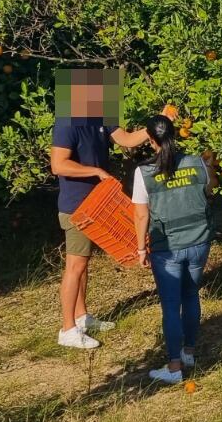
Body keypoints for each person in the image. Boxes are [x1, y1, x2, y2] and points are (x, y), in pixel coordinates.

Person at [50, 72, 153, 349]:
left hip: (97, 204)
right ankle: (67, 329)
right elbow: (58, 165)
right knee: (75, 265)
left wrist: (157, 125)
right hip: (77, 208)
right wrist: (96, 171)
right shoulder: (67, 122)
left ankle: (82, 317)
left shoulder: (101, 118)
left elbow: (127, 139)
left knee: (84, 264)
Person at [132, 114, 214, 385]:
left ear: (150, 140)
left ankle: (175, 367)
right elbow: (209, 190)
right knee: (191, 296)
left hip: (167, 248)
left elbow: (142, 216)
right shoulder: (197, 162)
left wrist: (141, 248)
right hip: (199, 242)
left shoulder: (144, 172)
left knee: (170, 306)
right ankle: (188, 352)